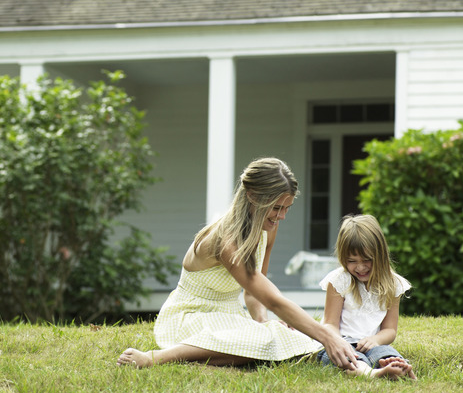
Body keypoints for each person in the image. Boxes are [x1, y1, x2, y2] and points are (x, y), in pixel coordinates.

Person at [117, 157, 359, 370]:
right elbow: (272, 298)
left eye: (287, 208)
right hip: (190, 316)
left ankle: (214, 359)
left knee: (282, 339)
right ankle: (156, 358)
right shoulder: (226, 239)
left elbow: (254, 295)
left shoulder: (268, 228)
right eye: (276, 207)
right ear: (252, 196)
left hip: (228, 315)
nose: (282, 216)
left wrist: (263, 321)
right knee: (268, 341)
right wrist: (328, 337)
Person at [317, 214, 417, 380]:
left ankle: (392, 367)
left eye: (367, 260)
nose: (360, 267)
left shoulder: (393, 284)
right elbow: (330, 324)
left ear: (380, 255)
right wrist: (337, 343)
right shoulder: (339, 281)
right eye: (352, 261)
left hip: (372, 344)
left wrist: (376, 340)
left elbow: (390, 330)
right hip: (340, 342)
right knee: (347, 358)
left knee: (386, 353)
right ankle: (370, 372)